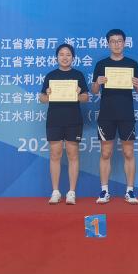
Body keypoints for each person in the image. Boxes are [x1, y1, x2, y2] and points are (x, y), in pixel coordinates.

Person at [91, 29, 138, 204]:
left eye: (119, 41)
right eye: (113, 41)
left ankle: (130, 191)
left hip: (126, 114)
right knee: (106, 152)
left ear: (124, 43)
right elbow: (94, 90)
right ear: (108, 44)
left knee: (128, 152)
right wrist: (97, 83)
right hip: (106, 114)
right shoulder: (101, 64)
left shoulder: (132, 64)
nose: (116, 44)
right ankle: (104, 191)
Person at [39, 43, 90, 205]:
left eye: (68, 54)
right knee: (55, 154)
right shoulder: (51, 75)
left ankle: (71, 192)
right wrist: (48, 95)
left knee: (72, 155)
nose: (65, 57)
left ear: (73, 57)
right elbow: (42, 98)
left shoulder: (78, 75)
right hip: (54, 120)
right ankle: (55, 191)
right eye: (61, 54)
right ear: (57, 57)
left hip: (73, 120)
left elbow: (86, 97)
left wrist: (77, 95)